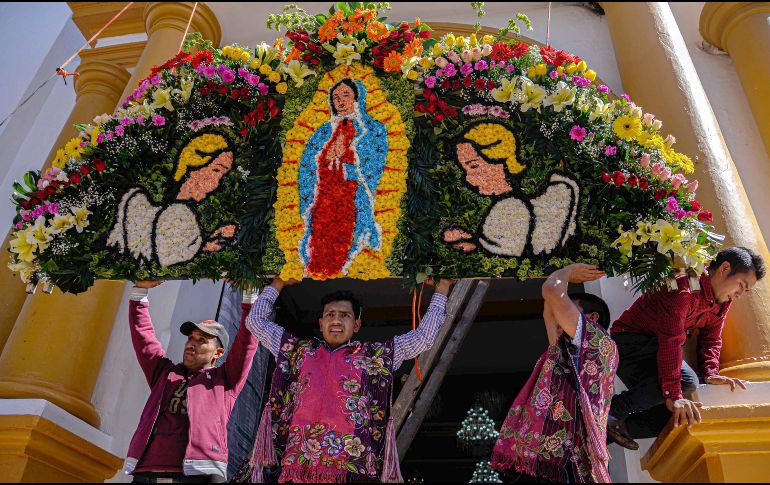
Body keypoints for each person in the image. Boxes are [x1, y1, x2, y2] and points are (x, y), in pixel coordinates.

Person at [238, 276, 453, 483]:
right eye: (330, 314)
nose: (336, 320)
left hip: (351, 471)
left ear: (356, 325)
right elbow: (255, 322)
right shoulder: (296, 351)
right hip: (295, 469)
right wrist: (278, 283)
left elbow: (422, 339)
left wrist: (442, 289)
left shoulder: (374, 357)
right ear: (321, 323)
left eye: (345, 315)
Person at [606, 247, 766, 450]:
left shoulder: (722, 302)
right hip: (629, 344)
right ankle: (609, 410)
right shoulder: (683, 286)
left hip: (657, 350)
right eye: (741, 285)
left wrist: (711, 373)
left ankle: (606, 432)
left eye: (746, 291)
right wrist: (673, 394)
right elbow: (671, 341)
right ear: (725, 268)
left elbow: (711, 338)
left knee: (680, 414)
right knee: (687, 383)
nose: (740, 295)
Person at [123, 280, 260, 483]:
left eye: (201, 341)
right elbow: (143, 337)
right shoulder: (165, 373)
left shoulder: (225, 381)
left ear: (218, 353)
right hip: (148, 469)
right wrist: (140, 292)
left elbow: (246, 342)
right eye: (190, 338)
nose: (190, 344)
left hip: (202, 472)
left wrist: (250, 298)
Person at [492, 264, 618, 483]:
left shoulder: (597, 340)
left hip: (570, 456)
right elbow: (549, 307)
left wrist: (567, 272)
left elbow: (551, 290)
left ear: (592, 317)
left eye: (569, 309)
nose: (559, 317)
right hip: (564, 458)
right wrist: (560, 272)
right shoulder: (566, 349)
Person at [441, 121, 579, 257]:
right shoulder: (507, 205)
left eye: (474, 166)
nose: (468, 178)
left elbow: (505, 256)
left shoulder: (510, 206)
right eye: (465, 170)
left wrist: (473, 243)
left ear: (499, 160)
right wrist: (470, 241)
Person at [298, 78, 389, 278]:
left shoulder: (372, 130)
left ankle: (343, 265)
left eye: (346, 95)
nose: (340, 101)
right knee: (319, 239)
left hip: (351, 195)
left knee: (345, 239)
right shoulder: (323, 131)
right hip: (324, 197)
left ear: (358, 98)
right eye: (336, 97)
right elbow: (307, 163)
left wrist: (350, 169)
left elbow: (375, 163)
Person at [107, 133, 237, 267]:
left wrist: (209, 242)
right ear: (195, 163)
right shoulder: (181, 213)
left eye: (223, 174)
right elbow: (170, 261)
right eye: (216, 170)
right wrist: (208, 245)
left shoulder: (140, 201)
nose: (217, 183)